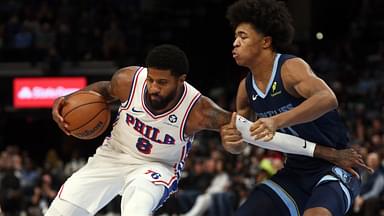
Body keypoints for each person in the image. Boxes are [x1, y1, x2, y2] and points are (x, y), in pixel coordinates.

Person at [46, 44, 368, 216]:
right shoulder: (129, 79)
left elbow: (257, 132)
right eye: (152, 79)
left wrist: (325, 152)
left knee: (136, 210)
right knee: (62, 210)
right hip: (112, 156)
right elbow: (101, 92)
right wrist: (68, 99)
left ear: (180, 80)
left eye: (163, 82)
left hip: (155, 168)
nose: (154, 88)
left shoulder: (199, 110)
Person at [220, 0, 370, 216]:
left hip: (336, 165)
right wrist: (231, 143)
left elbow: (327, 98)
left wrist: (276, 120)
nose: (235, 43)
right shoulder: (245, 88)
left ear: (265, 42)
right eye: (235, 37)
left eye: (242, 36)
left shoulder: (290, 67)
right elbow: (242, 143)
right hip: (295, 171)